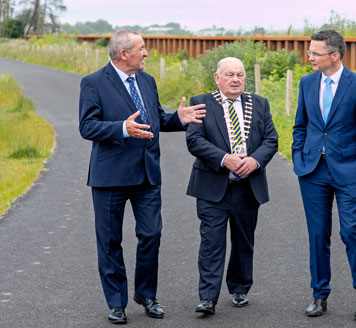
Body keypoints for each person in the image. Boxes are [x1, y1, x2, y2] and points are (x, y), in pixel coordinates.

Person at [78, 30, 206, 324]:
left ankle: (147, 294)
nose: (147, 53)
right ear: (124, 54)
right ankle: (116, 302)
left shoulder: (147, 81)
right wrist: (121, 128)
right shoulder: (94, 83)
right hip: (110, 177)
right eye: (142, 48)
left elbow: (156, 120)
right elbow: (87, 126)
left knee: (151, 234)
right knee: (110, 242)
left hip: (148, 174)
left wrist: (178, 119)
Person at [291, 29, 356, 321]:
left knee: (351, 230)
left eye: (315, 53)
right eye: (310, 51)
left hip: (349, 170)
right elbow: (300, 126)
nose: (310, 57)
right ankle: (319, 295)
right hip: (312, 171)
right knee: (318, 234)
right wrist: (298, 156)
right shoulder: (306, 83)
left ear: (334, 55)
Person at [185, 57, 278, 315]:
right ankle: (207, 297)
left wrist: (255, 161)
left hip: (247, 186)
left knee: (243, 241)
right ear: (217, 78)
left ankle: (239, 288)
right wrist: (225, 159)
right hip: (212, 184)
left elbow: (271, 139)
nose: (235, 79)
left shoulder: (258, 104)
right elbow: (194, 141)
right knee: (211, 242)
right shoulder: (200, 103)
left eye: (239, 75)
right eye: (229, 75)